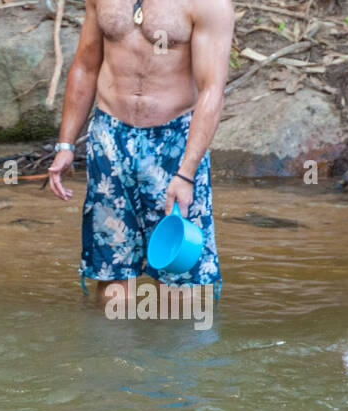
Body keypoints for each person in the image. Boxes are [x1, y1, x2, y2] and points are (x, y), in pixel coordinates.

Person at [46, 0, 234, 305]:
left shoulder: (208, 4)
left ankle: (173, 350)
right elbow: (86, 65)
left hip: (174, 143)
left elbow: (212, 89)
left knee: (177, 275)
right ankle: (112, 351)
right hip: (110, 137)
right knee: (111, 269)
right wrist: (66, 145)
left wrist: (186, 173)